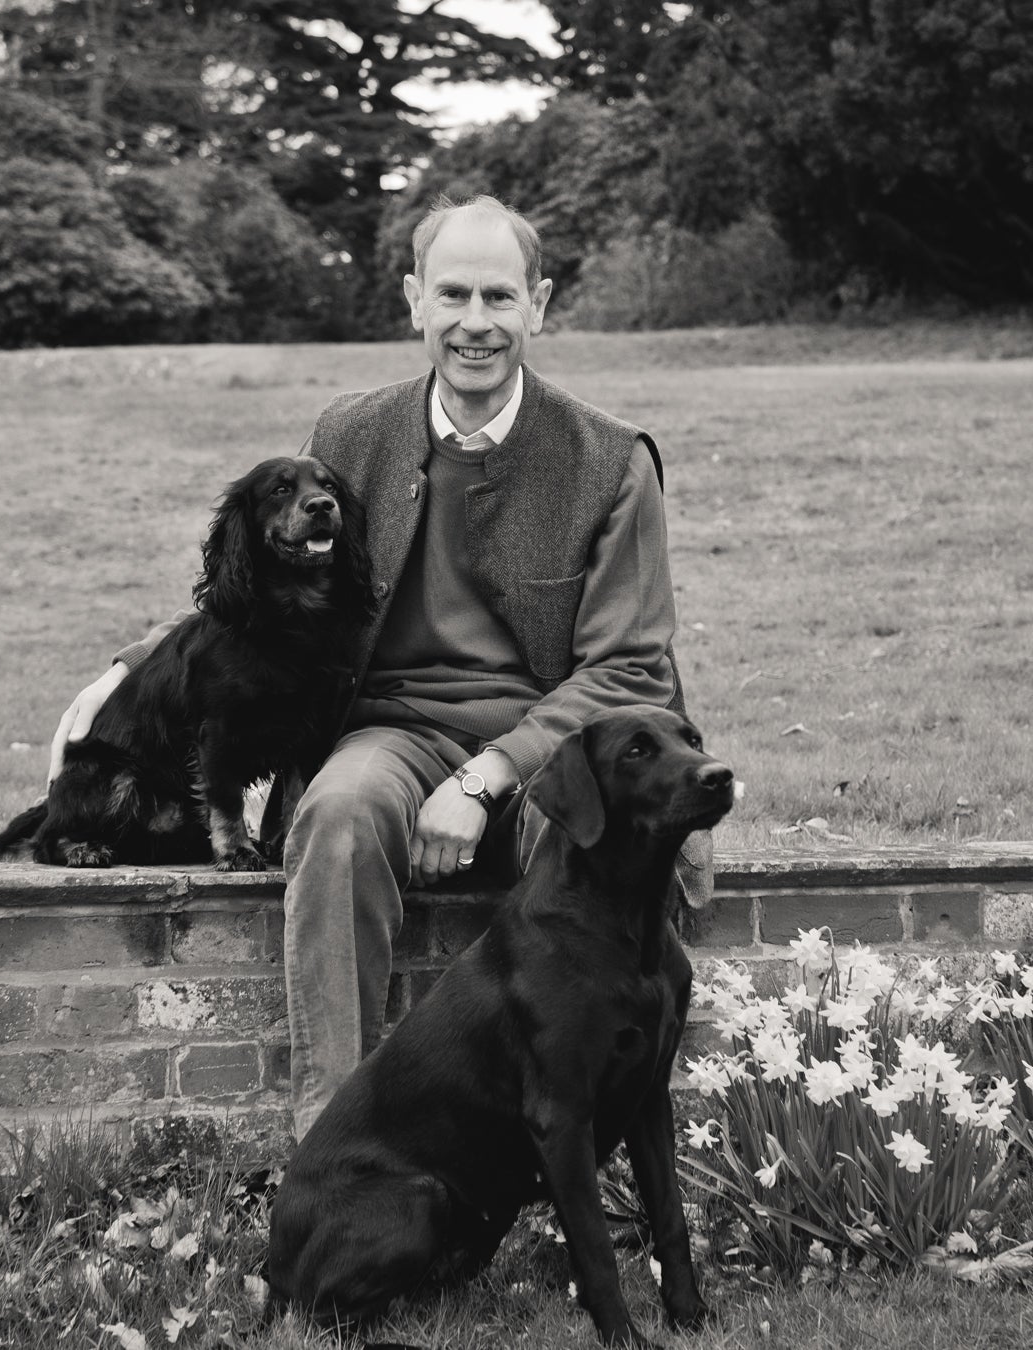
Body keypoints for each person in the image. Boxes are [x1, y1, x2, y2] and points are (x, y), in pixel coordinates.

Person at [48, 194, 707, 1137]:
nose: (475, 323)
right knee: (338, 818)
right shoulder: (350, 434)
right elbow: (262, 598)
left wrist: (488, 777)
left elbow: (631, 671)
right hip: (387, 729)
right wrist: (125, 671)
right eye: (452, 294)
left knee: (593, 857)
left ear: (540, 305)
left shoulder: (610, 459)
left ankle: (583, 1144)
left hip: (553, 739)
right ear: (413, 301)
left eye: (499, 296)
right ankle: (336, 1146)